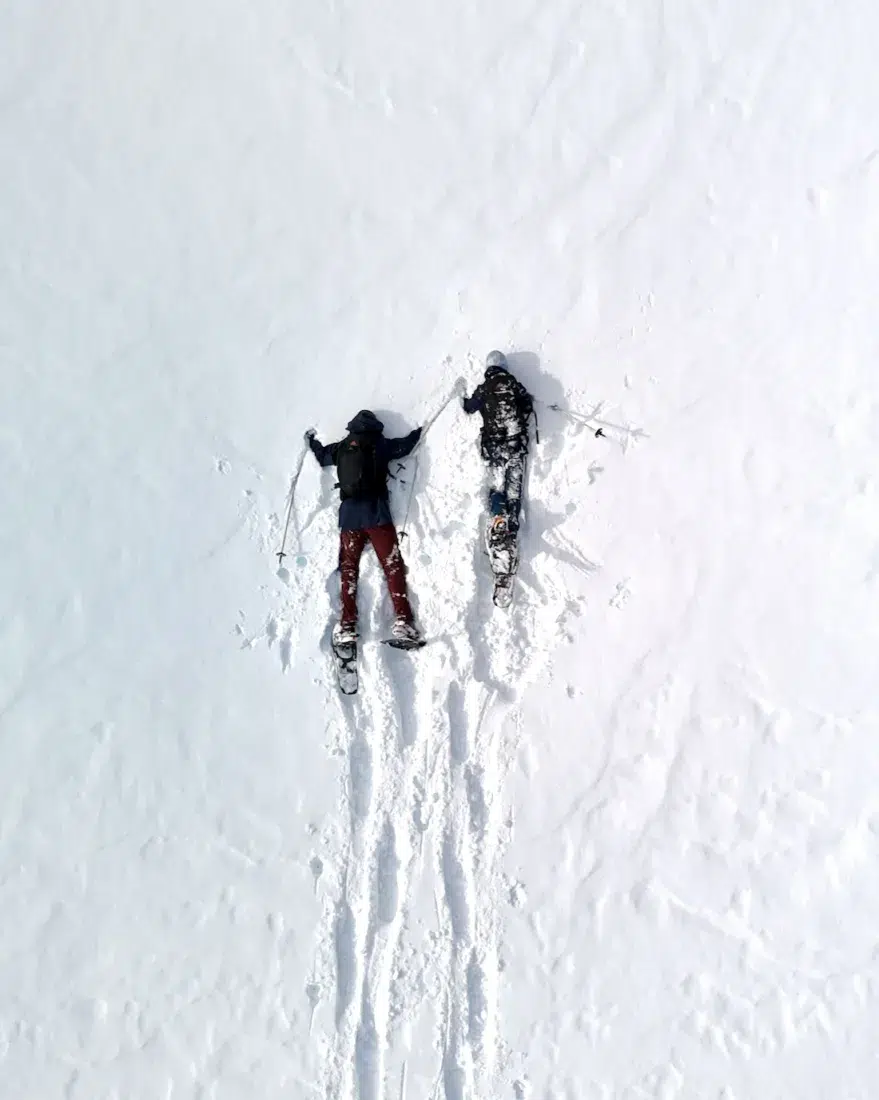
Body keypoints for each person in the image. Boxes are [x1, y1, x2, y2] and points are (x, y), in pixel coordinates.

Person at [306, 410, 423, 647]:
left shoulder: (341, 447)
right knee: (391, 565)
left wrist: (311, 441)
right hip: (377, 515)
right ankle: (403, 620)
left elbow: (321, 456)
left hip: (349, 518)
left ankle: (347, 624)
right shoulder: (380, 444)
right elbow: (406, 447)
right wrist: (419, 431)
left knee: (349, 569)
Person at [462, 350, 535, 545]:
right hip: (515, 444)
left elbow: (469, 407)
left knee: (496, 483)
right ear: (505, 366)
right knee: (513, 486)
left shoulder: (484, 388)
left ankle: (498, 516)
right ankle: (512, 521)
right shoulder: (513, 384)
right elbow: (527, 405)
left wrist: (461, 397)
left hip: (493, 446)